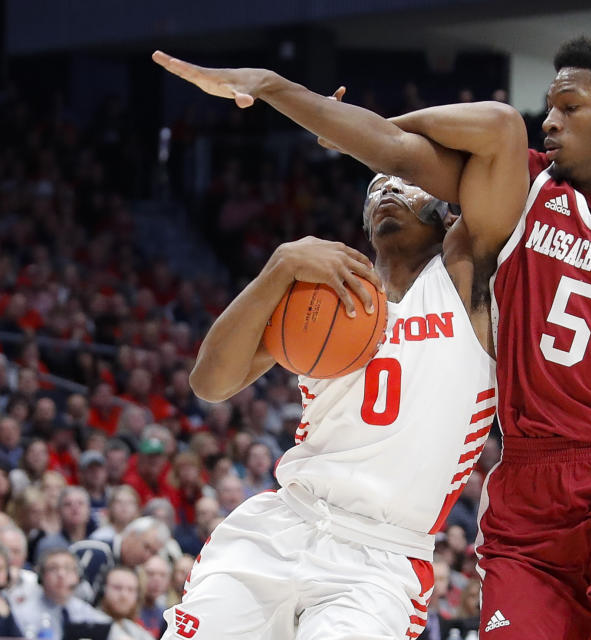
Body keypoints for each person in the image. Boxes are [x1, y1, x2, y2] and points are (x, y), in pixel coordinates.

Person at [163, 29, 591, 639]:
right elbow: (398, 153)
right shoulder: (501, 210)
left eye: (567, 108)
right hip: (520, 487)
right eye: (547, 107)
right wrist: (323, 129)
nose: (548, 121)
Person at [150, 46, 525, 639]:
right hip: (281, 524)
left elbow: (503, 130)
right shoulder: (321, 291)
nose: (387, 192)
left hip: (380, 558)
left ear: (448, 213)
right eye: (376, 186)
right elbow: (210, 383)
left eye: (404, 181)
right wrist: (279, 266)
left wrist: (359, 129)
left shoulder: (467, 276)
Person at [11, 548, 113, 640]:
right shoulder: (21, 614)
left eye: (68, 568)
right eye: (53, 568)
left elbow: (107, 625)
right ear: (41, 576)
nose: (61, 575)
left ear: (78, 576)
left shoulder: (88, 614)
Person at [99, 566, 154, 640]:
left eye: (130, 590)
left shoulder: (138, 632)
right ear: (103, 590)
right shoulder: (89, 625)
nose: (124, 595)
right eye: (117, 588)